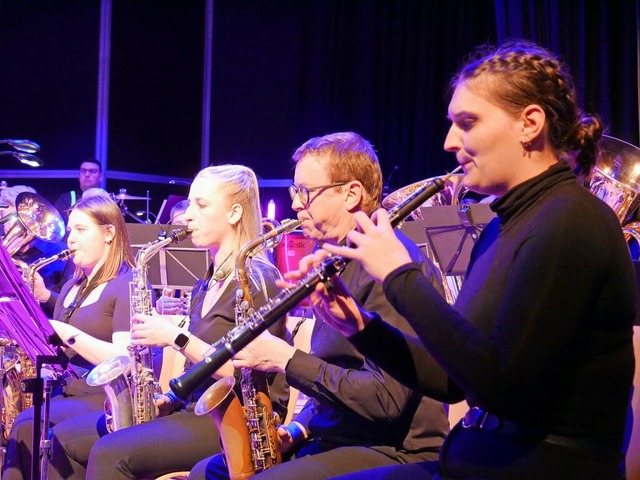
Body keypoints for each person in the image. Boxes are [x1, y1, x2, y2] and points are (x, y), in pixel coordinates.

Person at [302, 41, 636, 479]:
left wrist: (400, 276)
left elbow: (501, 387)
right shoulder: (502, 226)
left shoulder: (571, 220)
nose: (448, 141)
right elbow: (451, 379)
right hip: (485, 460)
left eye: (468, 122)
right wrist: (361, 328)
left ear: (529, 124)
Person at [189, 132, 449, 480]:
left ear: (351, 194)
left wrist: (286, 359)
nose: (296, 204)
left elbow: (385, 401)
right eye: (295, 192)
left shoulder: (390, 264)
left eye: (305, 192)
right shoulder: (333, 261)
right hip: (337, 438)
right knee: (209, 471)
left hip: (392, 450)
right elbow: (334, 373)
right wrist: (297, 429)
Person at [48, 164, 289, 479]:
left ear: (233, 213)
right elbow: (195, 371)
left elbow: (245, 374)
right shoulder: (206, 282)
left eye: (200, 205)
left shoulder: (257, 277)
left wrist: (176, 337)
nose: (188, 215)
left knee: (110, 452)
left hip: (235, 420)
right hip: (193, 410)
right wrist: (170, 399)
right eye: (190, 204)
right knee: (66, 441)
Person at [2, 194, 140, 480]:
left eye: (81, 230)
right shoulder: (71, 286)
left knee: (30, 423)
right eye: (70, 231)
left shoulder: (127, 283)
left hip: (101, 396)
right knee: (24, 421)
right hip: (66, 388)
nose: (70, 240)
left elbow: (125, 359)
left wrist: (67, 333)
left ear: (109, 233)